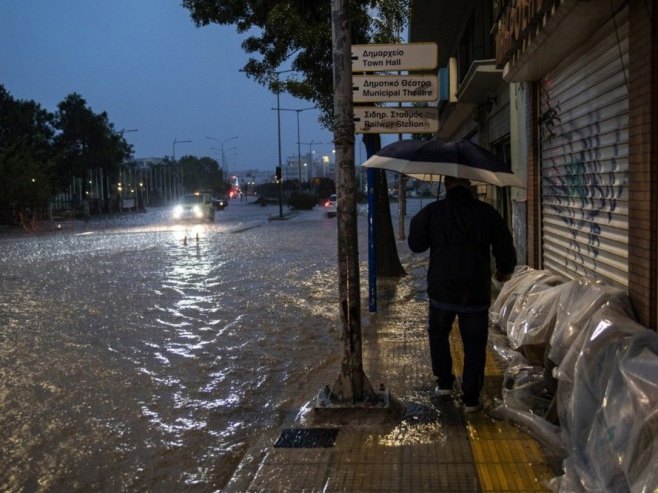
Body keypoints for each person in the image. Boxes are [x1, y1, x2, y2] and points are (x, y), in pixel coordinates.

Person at [408, 175, 516, 412]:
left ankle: (444, 383)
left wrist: (425, 220)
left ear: (446, 184)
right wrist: (503, 270)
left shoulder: (433, 211)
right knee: (475, 343)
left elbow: (416, 245)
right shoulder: (486, 213)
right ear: (469, 184)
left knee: (438, 335)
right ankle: (471, 398)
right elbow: (504, 243)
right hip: (475, 290)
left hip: (441, 290)